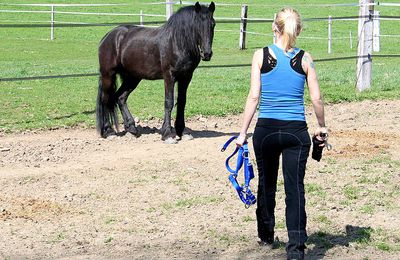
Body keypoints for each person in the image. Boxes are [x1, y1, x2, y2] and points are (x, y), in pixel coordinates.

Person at [235, 7, 328, 260]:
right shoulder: (305, 59)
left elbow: (254, 96)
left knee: (266, 183)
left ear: (274, 28)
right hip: (295, 133)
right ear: (297, 31)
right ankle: (296, 248)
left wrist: (243, 133)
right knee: (294, 189)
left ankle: (266, 234)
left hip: (265, 131)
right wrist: (321, 127)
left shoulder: (260, 56)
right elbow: (316, 99)